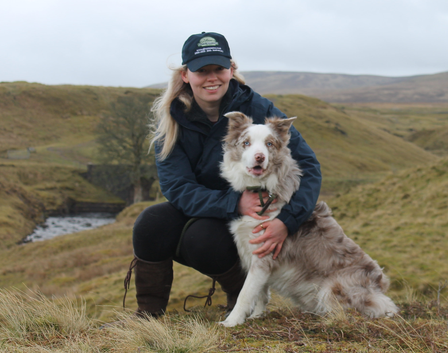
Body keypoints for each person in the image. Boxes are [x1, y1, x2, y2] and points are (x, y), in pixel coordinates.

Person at [127, 32, 322, 317]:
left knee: (202, 238)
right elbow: (176, 186)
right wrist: (233, 202)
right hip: (209, 205)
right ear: (185, 75)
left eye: (218, 68)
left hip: (252, 216)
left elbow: (309, 167)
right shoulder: (172, 120)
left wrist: (286, 221)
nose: (212, 78)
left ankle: (244, 298)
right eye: (201, 70)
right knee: (151, 223)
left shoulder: (258, 109)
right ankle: (148, 316)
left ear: (231, 69)